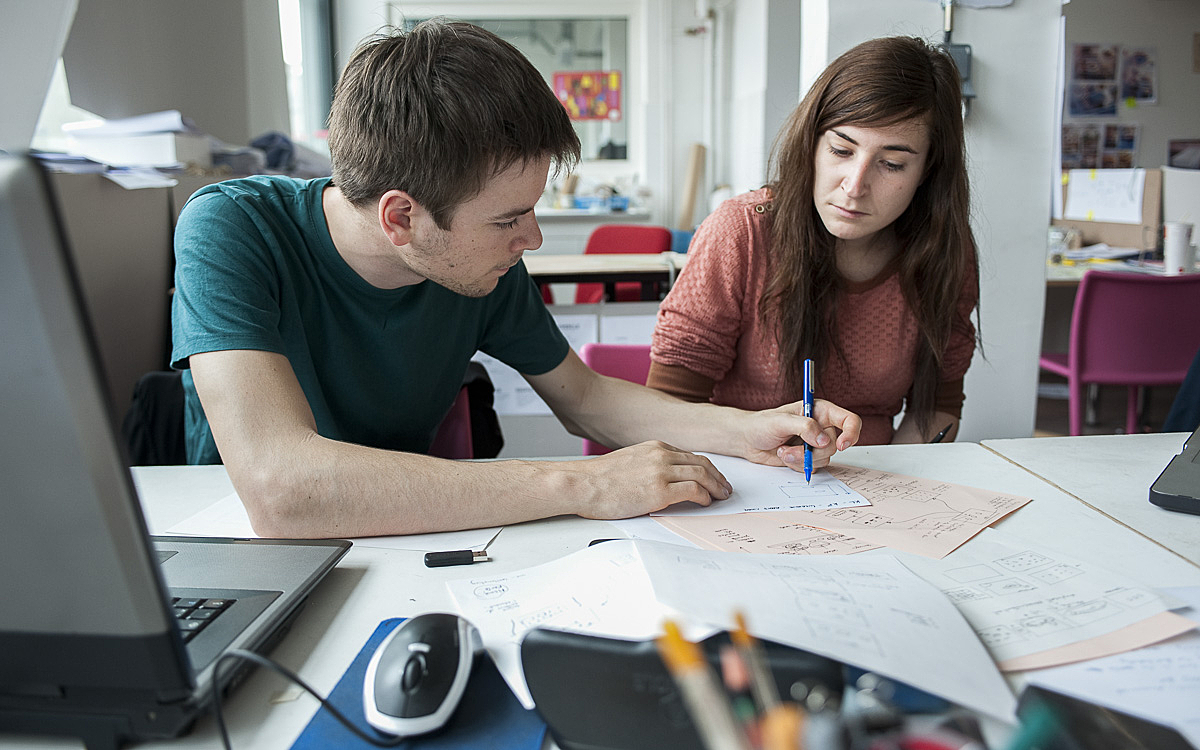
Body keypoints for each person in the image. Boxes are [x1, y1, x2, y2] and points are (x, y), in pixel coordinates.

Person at [170, 20, 862, 539]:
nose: (529, 240)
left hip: (402, 538)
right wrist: (579, 482)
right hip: (244, 547)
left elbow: (585, 397)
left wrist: (750, 431)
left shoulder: (480, 266)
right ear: (402, 218)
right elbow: (280, 489)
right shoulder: (230, 229)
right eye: (510, 219)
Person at [648, 36, 979, 446]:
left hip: (879, 484)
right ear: (812, 144)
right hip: (739, 482)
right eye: (841, 150)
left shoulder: (945, 252)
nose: (855, 186)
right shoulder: (742, 233)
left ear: (928, 170)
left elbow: (937, 409)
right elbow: (666, 411)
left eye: (892, 164)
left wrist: (898, 486)